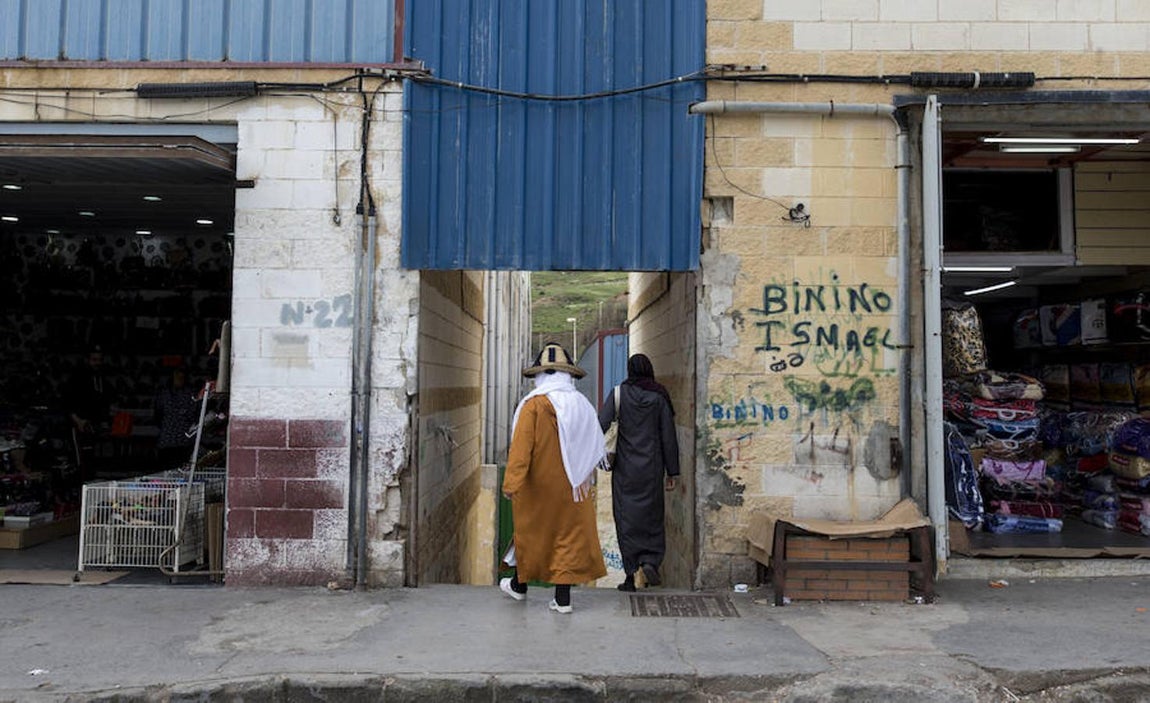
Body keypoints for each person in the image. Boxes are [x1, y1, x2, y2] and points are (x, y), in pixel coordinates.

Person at [499, 343, 608, 613]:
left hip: (539, 486)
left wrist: (511, 482)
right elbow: (595, 444)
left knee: (530, 534)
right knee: (567, 538)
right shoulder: (582, 404)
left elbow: (521, 449)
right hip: (574, 487)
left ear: (542, 375)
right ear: (567, 375)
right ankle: (562, 600)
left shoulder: (534, 406)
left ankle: (520, 586)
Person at [598, 353, 680, 592]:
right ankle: (651, 560)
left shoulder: (618, 394)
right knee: (652, 519)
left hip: (625, 471)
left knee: (626, 520)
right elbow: (668, 437)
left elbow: (601, 425)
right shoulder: (659, 396)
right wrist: (672, 472)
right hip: (652, 470)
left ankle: (629, 574)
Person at [153, 367, 200, 470]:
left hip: (184, 438)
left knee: (181, 467)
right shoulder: (164, 392)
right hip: (167, 438)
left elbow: (195, 412)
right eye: (177, 376)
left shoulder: (191, 392)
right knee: (165, 468)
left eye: (182, 377)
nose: (179, 379)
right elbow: (158, 413)